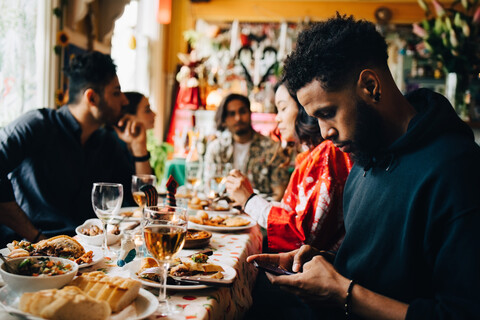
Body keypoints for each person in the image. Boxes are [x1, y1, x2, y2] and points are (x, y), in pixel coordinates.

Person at [248, 14, 480, 319]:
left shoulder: (458, 171)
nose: (323, 132)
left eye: (328, 112)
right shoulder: (364, 155)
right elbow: (382, 268)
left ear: (370, 86)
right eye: (314, 118)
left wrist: (341, 291)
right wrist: (325, 262)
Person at [0, 51, 151, 247]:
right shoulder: (35, 125)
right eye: (116, 92)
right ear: (92, 98)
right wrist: (37, 238)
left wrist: (139, 147)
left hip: (89, 251)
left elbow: (143, 202)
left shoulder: (107, 141)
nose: (124, 101)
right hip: (30, 251)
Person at [226, 82, 352, 252]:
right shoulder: (311, 155)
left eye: (283, 108)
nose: (277, 118)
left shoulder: (325, 155)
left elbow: (303, 236)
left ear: (304, 109)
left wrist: (249, 200)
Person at [204, 93, 290, 201]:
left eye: (242, 111)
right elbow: (208, 187)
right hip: (223, 213)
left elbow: (279, 193)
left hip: (259, 213)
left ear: (250, 113)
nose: (238, 118)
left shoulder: (272, 149)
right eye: (231, 114)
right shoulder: (216, 149)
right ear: (224, 119)